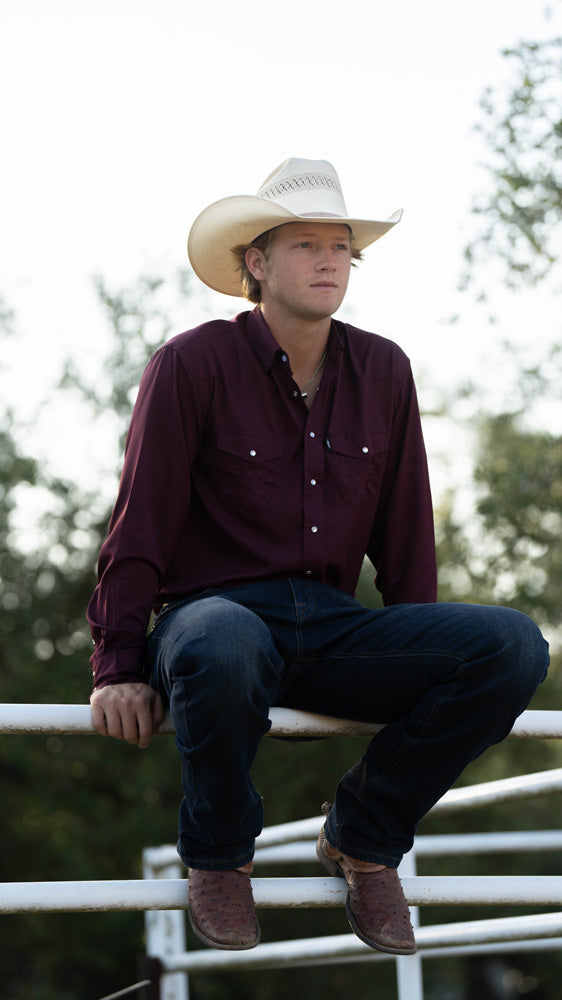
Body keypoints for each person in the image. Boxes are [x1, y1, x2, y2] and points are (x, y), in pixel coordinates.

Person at [88, 157, 549, 955]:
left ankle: (364, 840)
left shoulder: (385, 369)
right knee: (225, 641)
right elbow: (140, 525)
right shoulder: (191, 364)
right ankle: (221, 857)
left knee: (512, 644)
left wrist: (423, 657)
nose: (330, 259)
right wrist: (117, 663)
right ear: (256, 264)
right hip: (212, 625)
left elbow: (406, 542)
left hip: (333, 628)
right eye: (305, 245)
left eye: (341, 246)